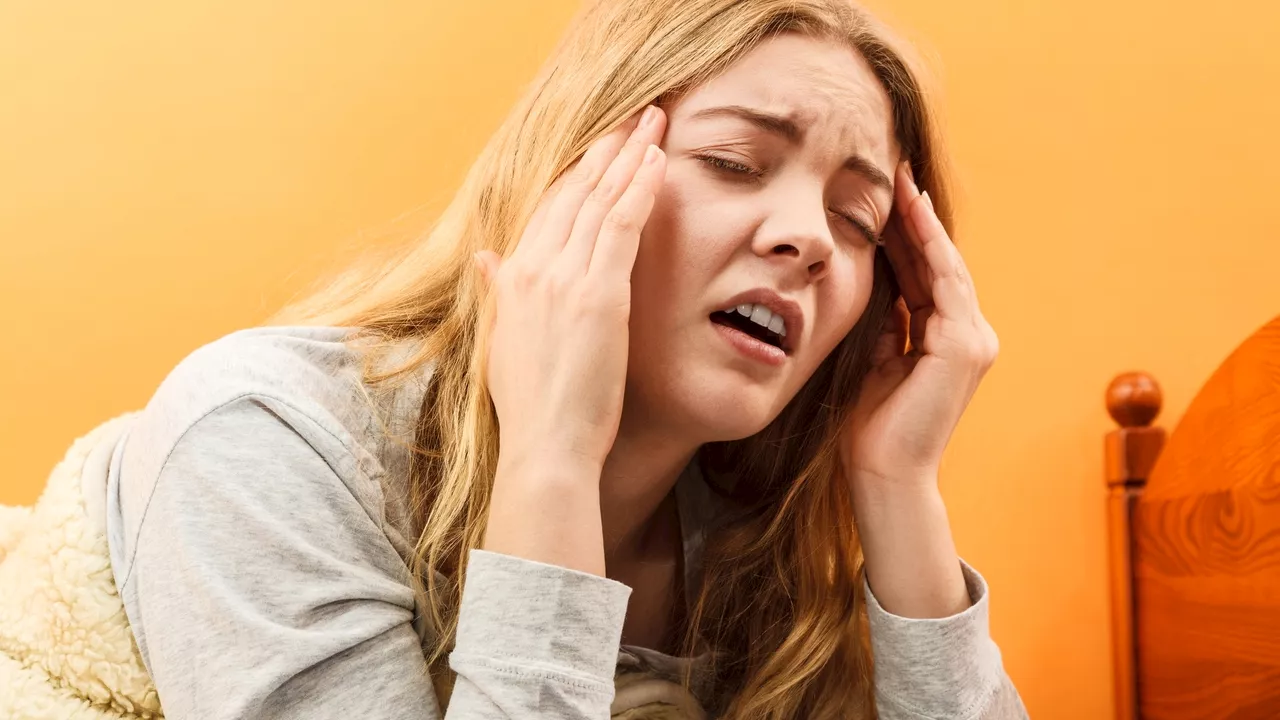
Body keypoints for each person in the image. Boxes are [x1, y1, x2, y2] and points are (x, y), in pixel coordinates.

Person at [104, 0, 1029, 717]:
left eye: (857, 218)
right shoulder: (263, 440)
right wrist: (551, 460)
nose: (809, 239)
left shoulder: (751, 547)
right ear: (570, 170)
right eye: (736, 160)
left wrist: (901, 487)